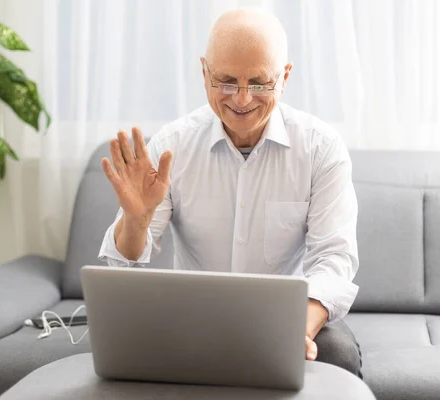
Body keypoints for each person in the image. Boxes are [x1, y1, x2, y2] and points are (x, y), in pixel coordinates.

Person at [98, 7, 362, 378]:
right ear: (204, 73)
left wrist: (294, 332)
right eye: (226, 80)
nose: (241, 99)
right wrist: (136, 221)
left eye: (258, 83)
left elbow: (334, 261)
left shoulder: (321, 149)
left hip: (287, 316)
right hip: (192, 317)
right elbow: (124, 264)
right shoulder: (173, 146)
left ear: (284, 78)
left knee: (338, 355)